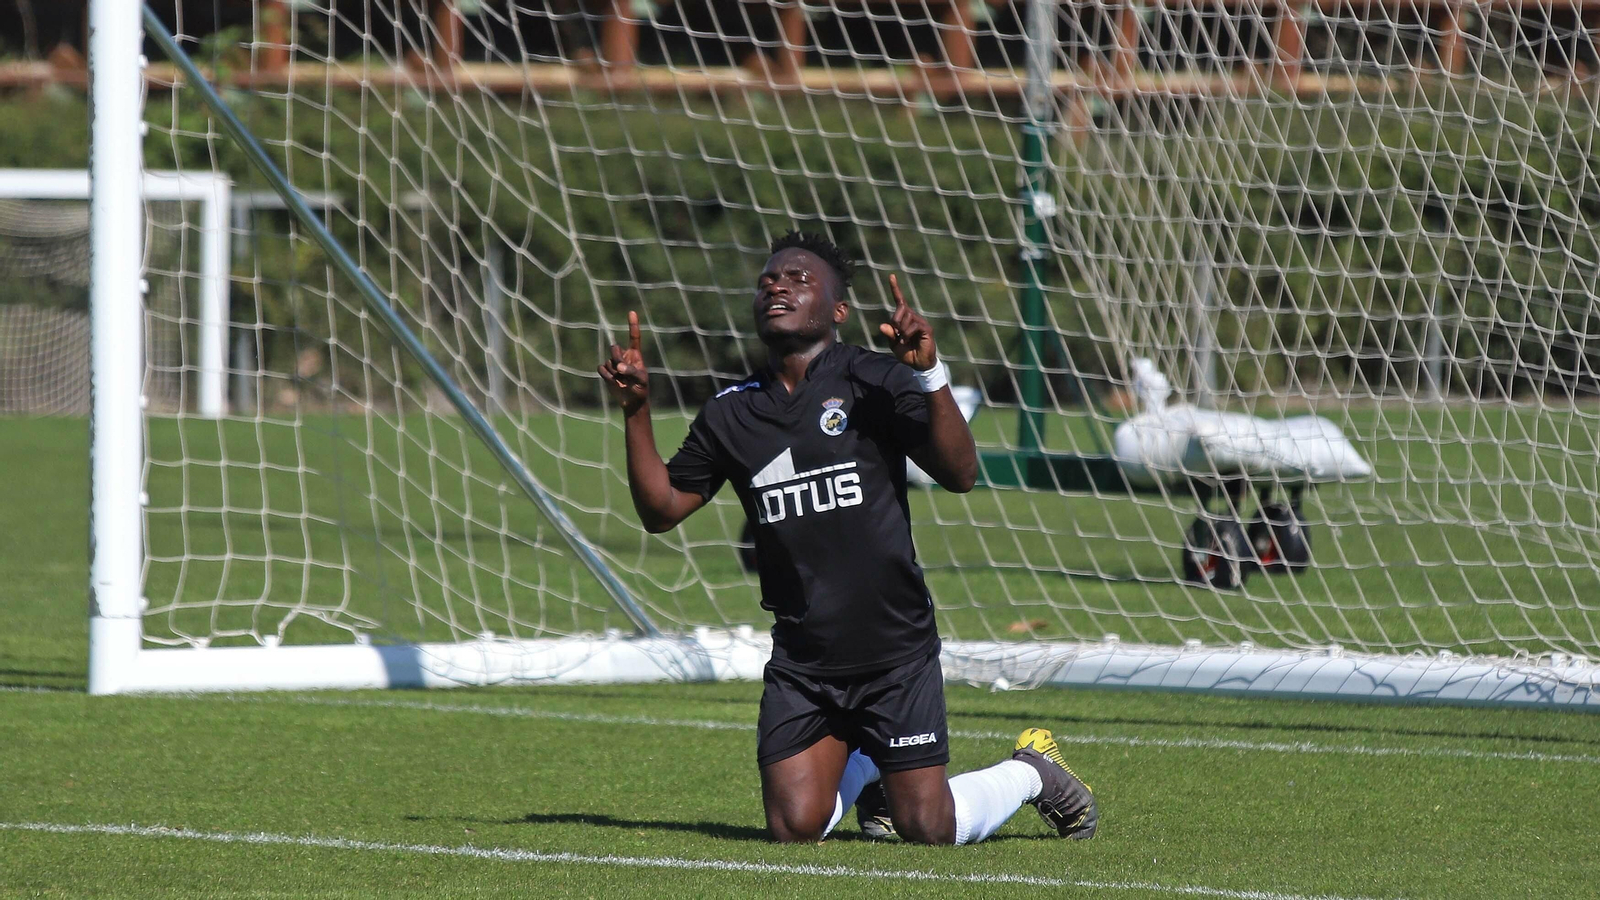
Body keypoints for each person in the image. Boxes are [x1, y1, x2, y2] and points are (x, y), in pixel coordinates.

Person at [598, 231, 1097, 845]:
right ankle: (869, 763)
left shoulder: (875, 380)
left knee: (927, 828)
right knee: (793, 828)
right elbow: (661, 510)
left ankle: (1031, 772)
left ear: (838, 310)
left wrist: (929, 375)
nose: (777, 286)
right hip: (804, 660)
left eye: (798, 279)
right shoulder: (731, 412)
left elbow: (960, 473)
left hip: (894, 651)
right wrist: (636, 410)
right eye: (767, 280)